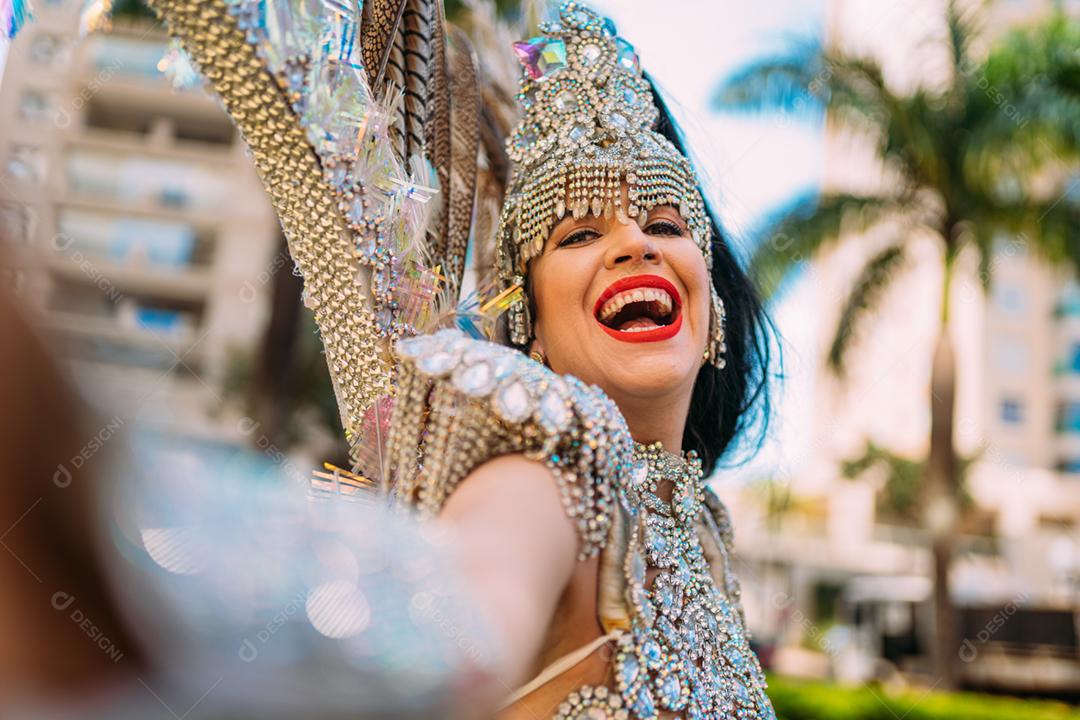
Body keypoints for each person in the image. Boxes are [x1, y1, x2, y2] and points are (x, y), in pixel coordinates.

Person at [119, 0, 780, 717]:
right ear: (530, 325)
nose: (635, 244)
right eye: (578, 234)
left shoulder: (705, 529)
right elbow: (455, 628)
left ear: (711, 298)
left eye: (662, 222)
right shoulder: (550, 465)